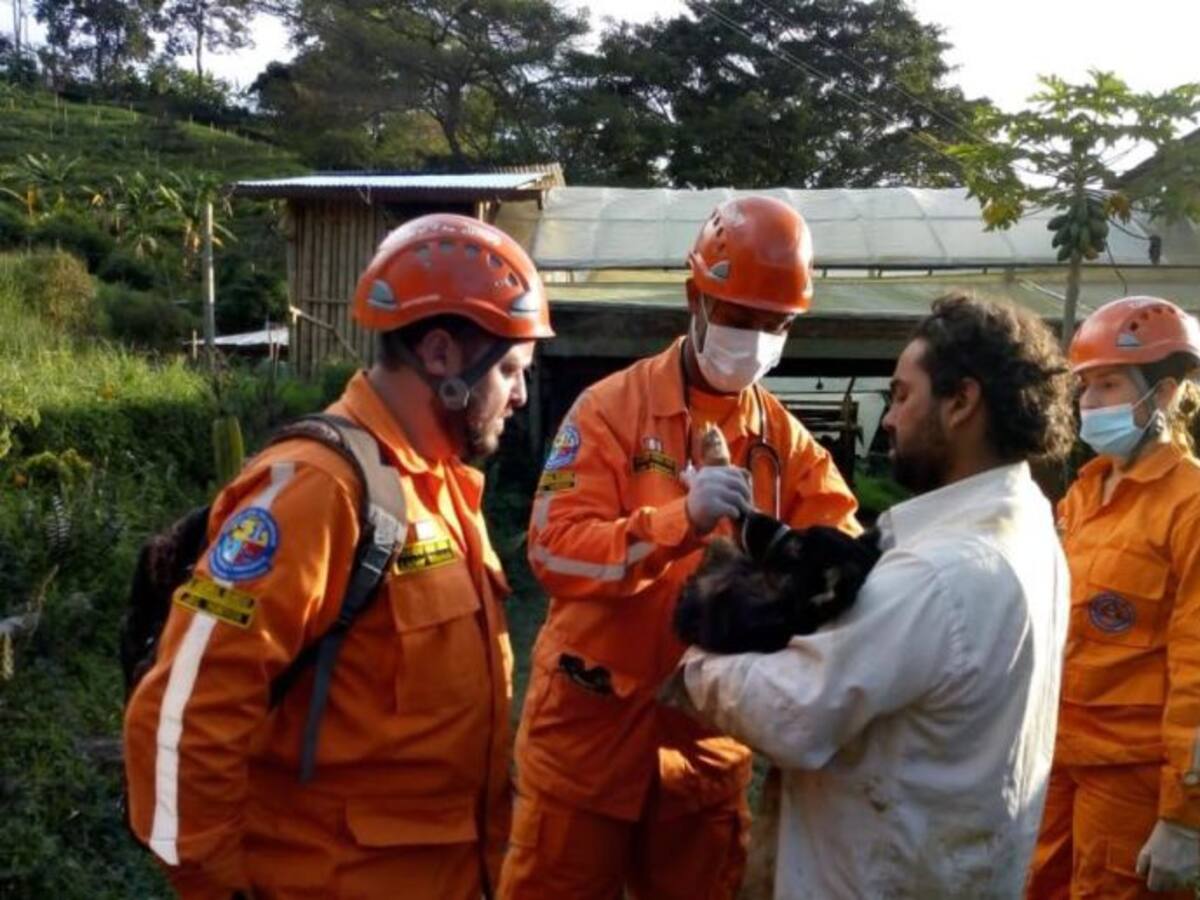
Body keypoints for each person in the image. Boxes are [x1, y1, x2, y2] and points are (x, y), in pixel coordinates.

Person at [123, 213, 554, 899]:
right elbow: (182, 711)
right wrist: (217, 884)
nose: (522, 394)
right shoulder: (319, 490)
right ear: (440, 355)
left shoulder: (440, 484)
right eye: (509, 369)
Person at [499, 195, 860, 900]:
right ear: (695, 298)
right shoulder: (609, 410)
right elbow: (553, 552)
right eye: (738, 317)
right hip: (589, 734)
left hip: (703, 749)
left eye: (775, 324)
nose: (755, 338)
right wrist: (677, 525)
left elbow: (846, 556)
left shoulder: (788, 448)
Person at [678, 294, 1076, 898]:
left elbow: (794, 712)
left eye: (902, 395)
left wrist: (692, 657)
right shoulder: (1028, 524)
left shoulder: (936, 575)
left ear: (962, 402)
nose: (888, 419)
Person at [1028, 296, 1200, 899]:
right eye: (1085, 389)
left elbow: (1198, 676)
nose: (1089, 404)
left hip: (1136, 782)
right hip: (1056, 758)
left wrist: (1185, 818)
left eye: (1108, 385)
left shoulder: (1191, 506)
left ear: (1167, 393)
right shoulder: (1084, 494)